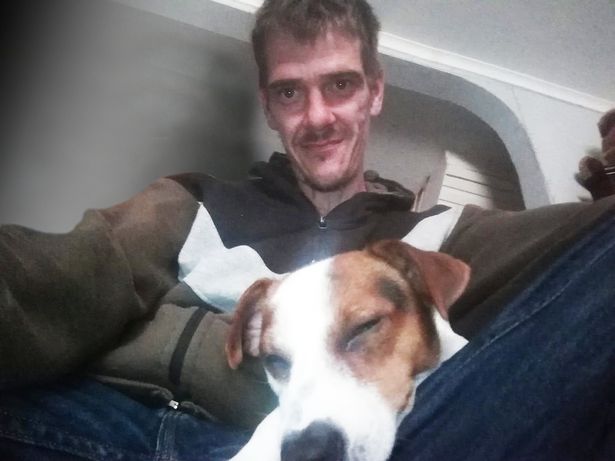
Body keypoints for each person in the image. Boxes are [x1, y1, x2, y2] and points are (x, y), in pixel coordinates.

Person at [0, 1, 614, 460]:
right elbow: (56, 274)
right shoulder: (193, 203)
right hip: (107, 425)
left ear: (374, 92)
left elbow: (587, 248)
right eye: (291, 92)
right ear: (269, 106)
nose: (318, 116)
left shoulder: (442, 232)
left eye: (340, 84)